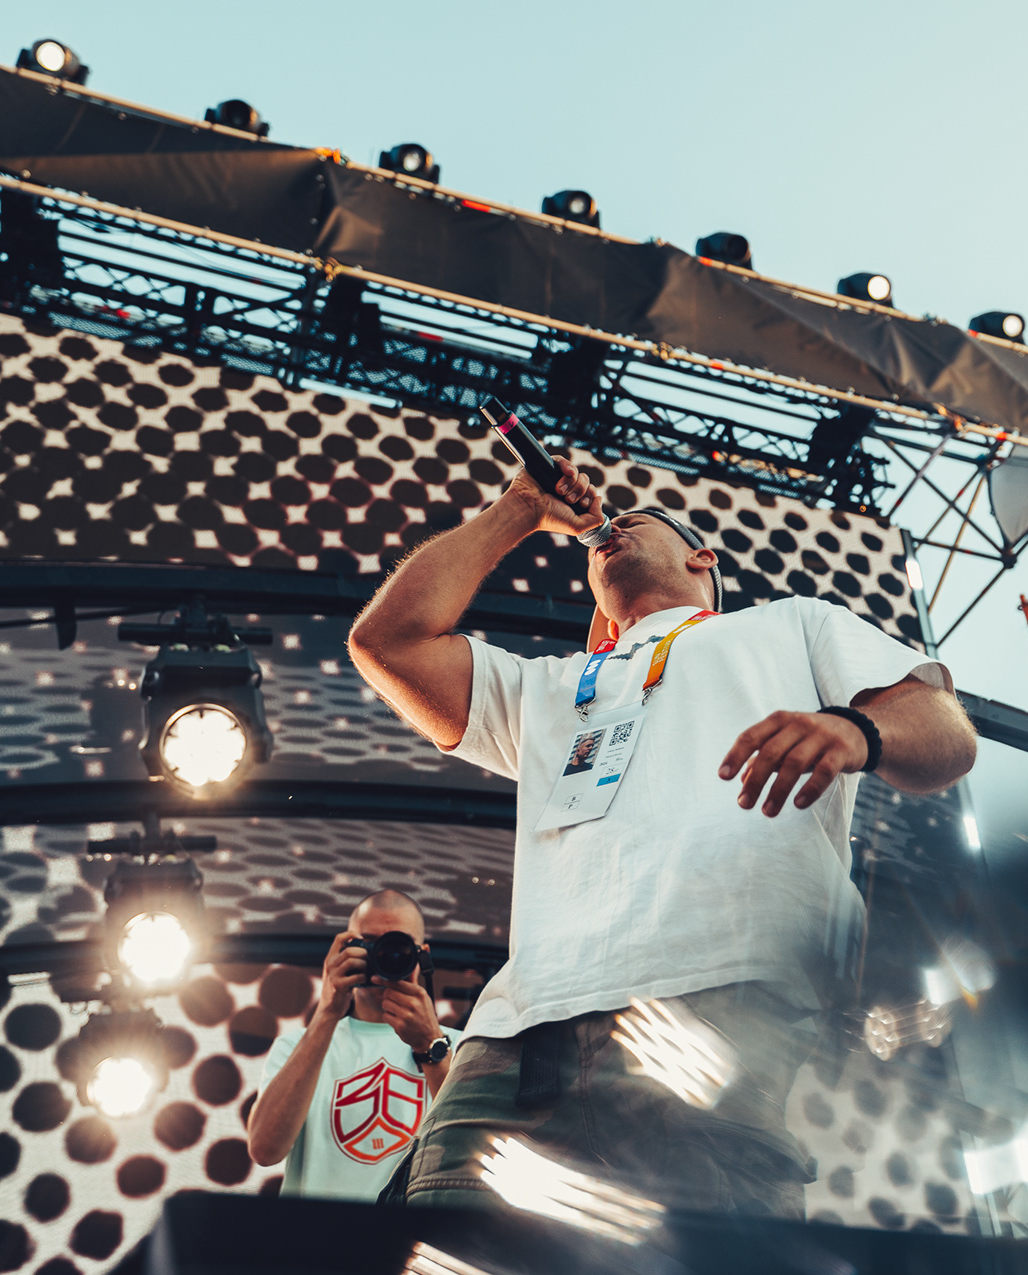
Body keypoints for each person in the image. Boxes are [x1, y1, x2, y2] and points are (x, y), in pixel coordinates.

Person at [346, 456, 978, 1216]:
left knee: (696, 1257)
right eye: (603, 534)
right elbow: (389, 642)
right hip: (516, 1040)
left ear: (701, 558)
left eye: (638, 521)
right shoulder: (552, 685)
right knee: (449, 1256)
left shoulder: (790, 625)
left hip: (712, 1011)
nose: (611, 530)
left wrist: (855, 730)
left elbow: (947, 736)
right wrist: (518, 510)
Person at [247, 889, 460, 1200]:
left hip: (412, 1231)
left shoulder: (461, 1047)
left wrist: (432, 1046)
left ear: (422, 955)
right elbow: (264, 1150)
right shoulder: (296, 1047)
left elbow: (469, 1149)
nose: (384, 957)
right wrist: (326, 1013)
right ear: (344, 949)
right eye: (369, 945)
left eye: (398, 946)